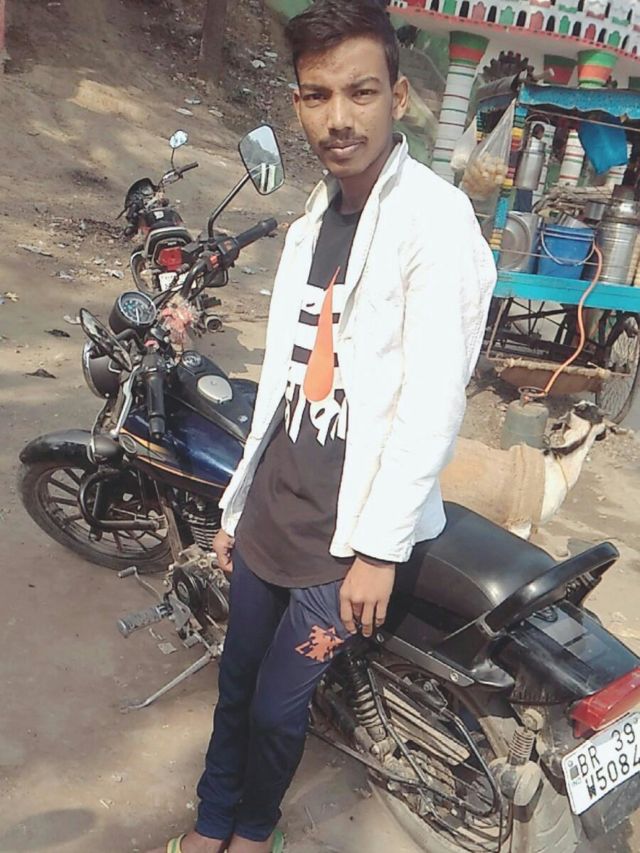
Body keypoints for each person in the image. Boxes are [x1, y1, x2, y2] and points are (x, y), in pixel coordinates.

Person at [149, 2, 496, 851]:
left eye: (360, 92)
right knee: (236, 681)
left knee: (278, 706)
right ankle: (210, 822)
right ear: (299, 104)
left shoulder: (436, 221)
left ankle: (252, 831)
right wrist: (238, 506)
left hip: (347, 535)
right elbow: (282, 377)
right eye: (316, 95)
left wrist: (378, 549)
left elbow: (434, 398)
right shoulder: (313, 220)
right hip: (275, 505)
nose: (338, 118)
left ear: (398, 98)